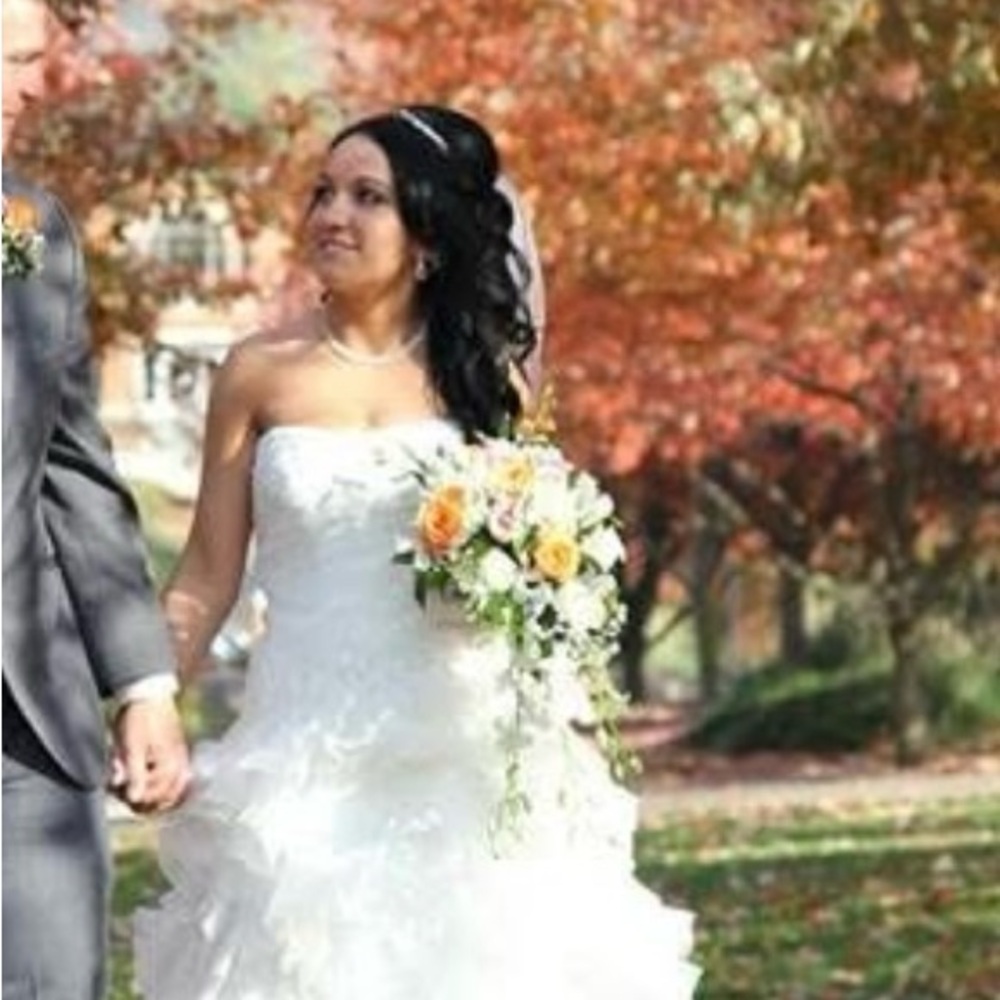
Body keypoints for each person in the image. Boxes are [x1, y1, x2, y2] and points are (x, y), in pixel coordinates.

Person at [133, 103, 700, 998]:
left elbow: (536, 548)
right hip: (302, 754)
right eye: (323, 192)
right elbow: (206, 572)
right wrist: (153, 700)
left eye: (368, 197)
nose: (332, 214)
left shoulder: (485, 379)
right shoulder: (255, 372)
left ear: (427, 236)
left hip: (461, 755)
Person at [2, 1, 191, 996]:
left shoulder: (33, 233)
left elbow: (73, 466)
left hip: (29, 721)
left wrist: (142, 685)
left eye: (36, 58)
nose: (35, 86)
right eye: (11, 61)